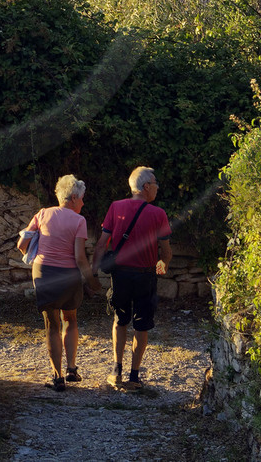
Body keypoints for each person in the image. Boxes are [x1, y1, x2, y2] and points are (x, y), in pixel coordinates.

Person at [17, 174, 99, 392]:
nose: (82, 202)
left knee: (51, 324)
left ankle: (57, 377)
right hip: (69, 276)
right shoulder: (79, 221)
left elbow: (22, 243)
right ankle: (72, 368)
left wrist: (32, 251)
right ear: (72, 198)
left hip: (44, 274)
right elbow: (80, 259)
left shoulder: (42, 214)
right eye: (81, 198)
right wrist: (91, 281)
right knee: (70, 319)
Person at [97, 165, 172, 391]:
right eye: (155, 184)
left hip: (120, 275)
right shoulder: (158, 214)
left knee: (120, 320)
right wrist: (164, 264)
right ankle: (134, 376)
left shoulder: (115, 207)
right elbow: (165, 250)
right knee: (142, 326)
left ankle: (116, 370)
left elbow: (102, 243)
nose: (157, 188)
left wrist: (93, 270)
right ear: (146, 187)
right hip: (146, 276)